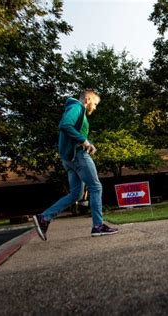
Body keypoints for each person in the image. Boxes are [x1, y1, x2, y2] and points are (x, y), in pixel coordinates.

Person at [33, 89, 118, 240]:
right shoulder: (77, 107)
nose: (95, 107)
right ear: (88, 100)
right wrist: (83, 141)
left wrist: (88, 143)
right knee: (96, 187)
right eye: (95, 104)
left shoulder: (76, 109)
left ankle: (44, 218)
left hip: (69, 159)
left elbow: (74, 132)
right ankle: (98, 226)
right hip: (78, 156)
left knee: (76, 194)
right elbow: (65, 125)